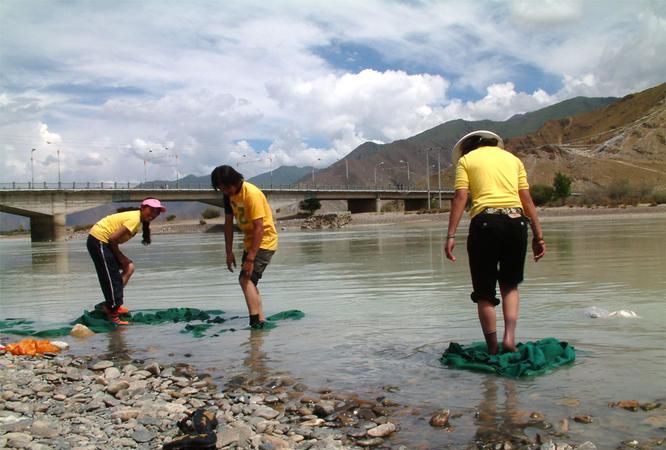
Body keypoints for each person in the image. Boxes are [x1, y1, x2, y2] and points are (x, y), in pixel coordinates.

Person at [444, 130, 545, 354]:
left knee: (484, 292)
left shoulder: (467, 161)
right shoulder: (513, 160)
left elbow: (461, 196)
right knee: (510, 284)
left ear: (468, 148)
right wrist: (539, 236)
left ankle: (492, 348)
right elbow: (526, 199)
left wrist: (451, 235)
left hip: (485, 223)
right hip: (516, 222)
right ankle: (509, 338)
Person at [211, 165, 278, 329]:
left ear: (233, 180)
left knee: (245, 279)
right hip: (250, 241)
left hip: (264, 240)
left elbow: (259, 228)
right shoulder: (228, 196)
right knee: (250, 282)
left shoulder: (251, 194)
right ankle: (260, 320)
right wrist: (228, 252)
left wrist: (250, 258)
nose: (224, 191)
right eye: (220, 189)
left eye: (225, 187)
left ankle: (255, 323)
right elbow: (228, 224)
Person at [87, 198, 165, 325]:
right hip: (99, 241)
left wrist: (122, 258)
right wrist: (121, 257)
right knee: (110, 277)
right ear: (142, 208)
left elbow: (114, 240)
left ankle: (112, 303)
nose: (153, 214)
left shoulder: (138, 219)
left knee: (129, 268)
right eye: (151, 210)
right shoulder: (134, 219)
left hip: (105, 243)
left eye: (157, 212)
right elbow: (112, 239)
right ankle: (113, 313)